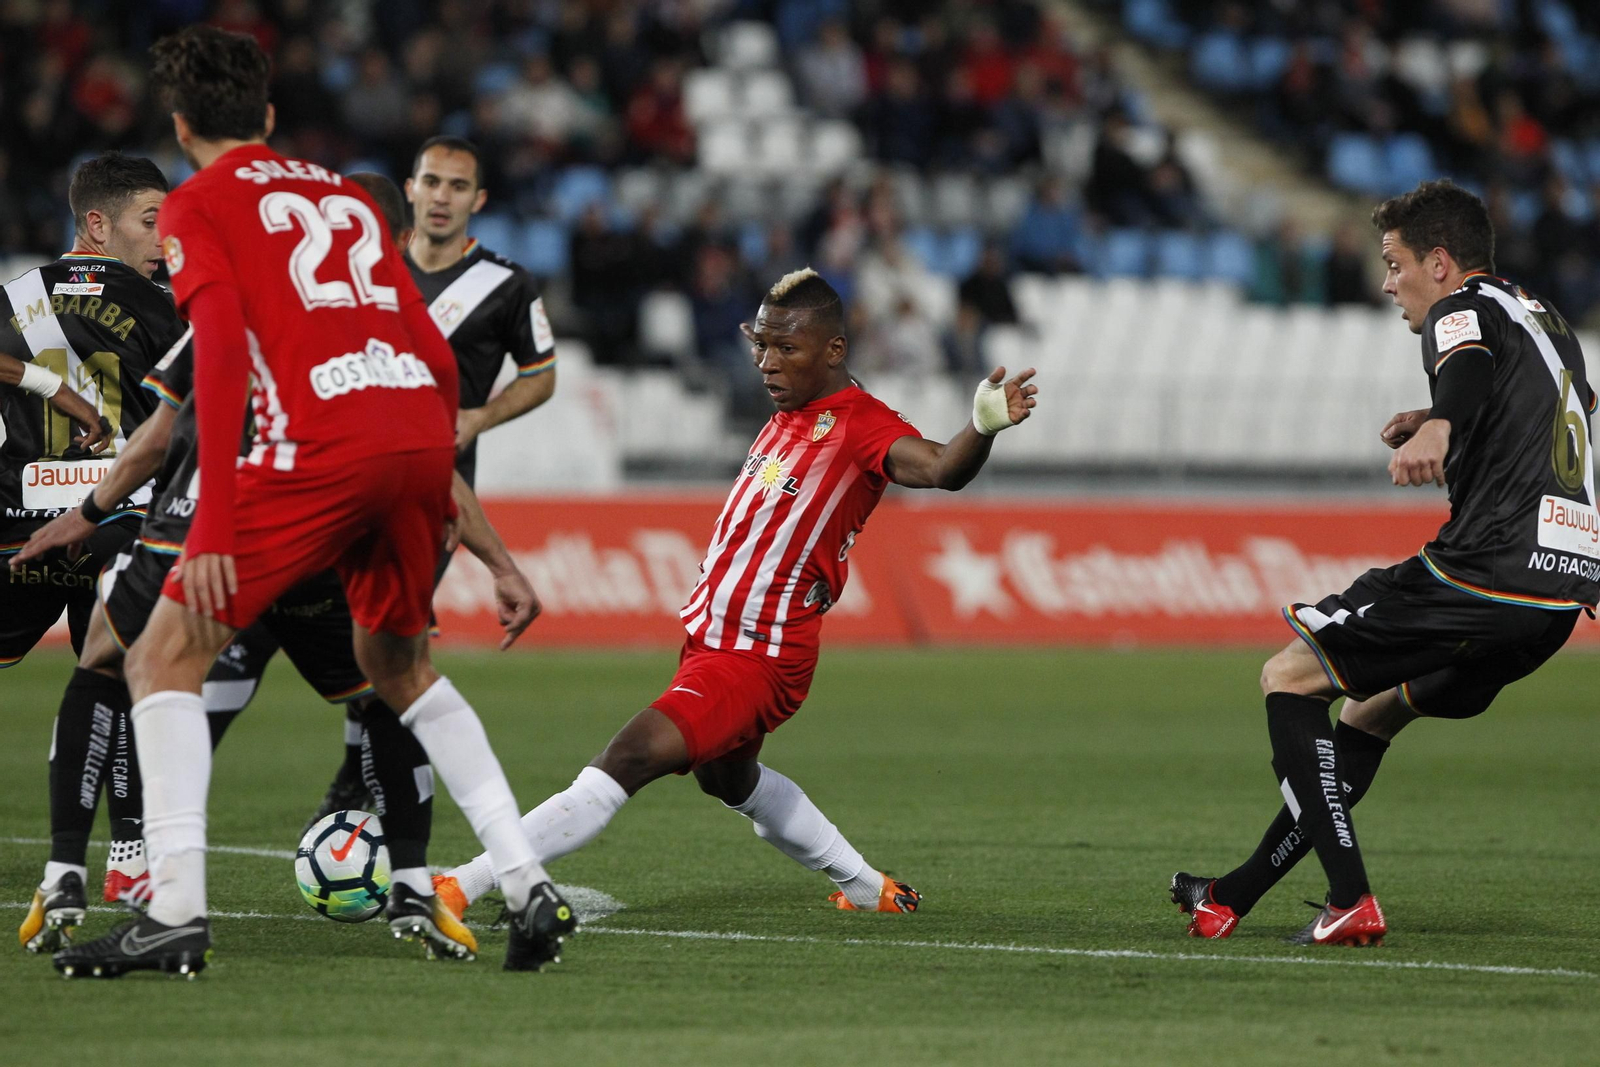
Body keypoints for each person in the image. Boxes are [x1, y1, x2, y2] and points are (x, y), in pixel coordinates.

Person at [52, 26, 568, 979]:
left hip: (319, 446)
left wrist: (208, 525)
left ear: (179, 124)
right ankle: (528, 881)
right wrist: (495, 556)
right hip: (420, 435)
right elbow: (424, 347)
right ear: (272, 118)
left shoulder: (198, 207)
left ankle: (171, 912)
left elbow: (216, 361)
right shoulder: (342, 192)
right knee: (396, 664)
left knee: (159, 654)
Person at [433, 267, 1038, 919]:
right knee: (728, 778)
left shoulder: (861, 423)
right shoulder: (790, 412)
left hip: (757, 652)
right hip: (711, 641)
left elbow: (941, 467)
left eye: (785, 348)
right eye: (761, 345)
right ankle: (870, 888)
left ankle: (465, 883)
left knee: (629, 756)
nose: (766, 363)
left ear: (834, 350)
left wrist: (982, 426)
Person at [1172, 179, 1599, 947]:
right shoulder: (1544, 318)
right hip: (1557, 596)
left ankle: (1350, 899)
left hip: (1484, 571)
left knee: (1288, 677)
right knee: (1374, 709)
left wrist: (1442, 423)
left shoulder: (1458, 308)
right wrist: (1451, 424)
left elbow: (1466, 366)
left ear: (1440, 261)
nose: (1387, 281)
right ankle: (1230, 894)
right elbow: (1573, 410)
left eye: (1394, 261)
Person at [297, 134, 558, 826]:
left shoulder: (504, 285)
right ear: (409, 190)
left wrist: (478, 416)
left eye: (457, 186)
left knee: (385, 635)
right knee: (360, 633)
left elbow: (542, 375)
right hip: (347, 477)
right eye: (432, 182)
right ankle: (368, 770)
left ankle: (363, 778)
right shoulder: (369, 276)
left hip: (437, 492)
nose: (443, 197)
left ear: (479, 200)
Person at [2, 153, 183, 669]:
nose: (163, 239)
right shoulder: (166, 308)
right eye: (150, 222)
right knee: (114, 685)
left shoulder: (10, 297)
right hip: (122, 524)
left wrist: (44, 382)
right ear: (98, 225)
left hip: (19, 530)